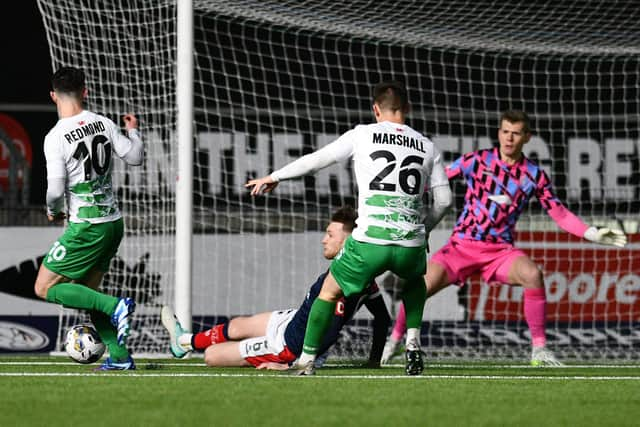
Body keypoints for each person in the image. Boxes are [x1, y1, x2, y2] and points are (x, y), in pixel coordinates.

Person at [381, 110, 628, 366]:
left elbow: (560, 214)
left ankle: (539, 351)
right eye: (505, 132)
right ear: (499, 133)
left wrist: (591, 232)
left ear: (527, 137)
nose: (509, 138)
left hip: (499, 252)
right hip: (461, 247)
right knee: (418, 287)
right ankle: (396, 342)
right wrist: (401, 196)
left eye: (516, 133)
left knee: (533, 275)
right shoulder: (475, 161)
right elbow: (435, 181)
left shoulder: (533, 175)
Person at [245, 81, 452, 375]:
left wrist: (275, 177)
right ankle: (413, 342)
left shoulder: (363, 134)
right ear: (407, 109)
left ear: (376, 109)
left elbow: (317, 161)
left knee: (328, 293)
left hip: (370, 242)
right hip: (410, 244)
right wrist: (423, 231)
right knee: (414, 280)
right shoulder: (428, 146)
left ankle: (305, 361)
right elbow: (444, 201)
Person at [161, 206, 391, 369]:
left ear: (348, 241)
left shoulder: (346, 278)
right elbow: (382, 317)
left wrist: (296, 362)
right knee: (240, 324)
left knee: (212, 356)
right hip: (293, 321)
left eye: (330, 235)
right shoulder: (360, 276)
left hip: (288, 347)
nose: (324, 239)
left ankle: (185, 342)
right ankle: (184, 341)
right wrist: (374, 359)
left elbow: (332, 329)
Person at [35, 67, 144, 370]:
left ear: (53, 95)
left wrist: (54, 211)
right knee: (88, 294)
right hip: (113, 223)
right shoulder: (103, 123)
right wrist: (134, 132)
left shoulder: (56, 136)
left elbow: (55, 189)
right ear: (85, 92)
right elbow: (135, 157)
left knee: (43, 288)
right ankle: (120, 358)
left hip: (86, 227)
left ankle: (117, 305)